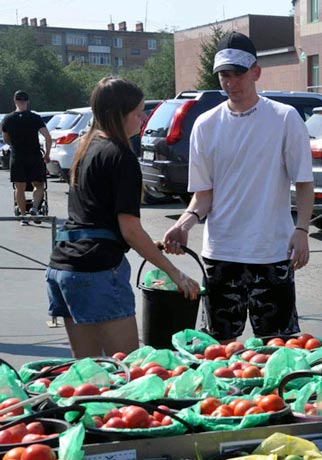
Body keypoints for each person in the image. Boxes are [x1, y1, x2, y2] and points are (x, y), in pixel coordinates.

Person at [162, 31, 314, 343]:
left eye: (238, 74)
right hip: (222, 255)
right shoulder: (206, 125)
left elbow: (304, 182)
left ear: (256, 72)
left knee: (279, 348)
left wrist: (302, 230)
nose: (231, 83)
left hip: (272, 251)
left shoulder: (284, 118)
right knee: (219, 349)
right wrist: (184, 223)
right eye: (224, 76)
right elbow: (204, 195)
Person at [46, 77, 200, 358]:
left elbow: (95, 217)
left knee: (89, 374)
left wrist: (143, 243)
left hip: (63, 267)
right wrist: (174, 273)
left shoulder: (86, 147)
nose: (143, 118)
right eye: (138, 112)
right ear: (118, 115)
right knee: (128, 371)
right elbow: (129, 229)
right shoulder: (121, 156)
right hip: (96, 272)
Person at [1, 90, 51, 226]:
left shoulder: (8, 119)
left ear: (15, 101)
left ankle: (23, 216)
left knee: (20, 187)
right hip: (34, 155)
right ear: (27, 102)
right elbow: (47, 137)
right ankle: (35, 208)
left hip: (18, 156)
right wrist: (47, 154)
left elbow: (5, 139)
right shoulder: (35, 118)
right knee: (38, 184)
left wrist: (15, 144)